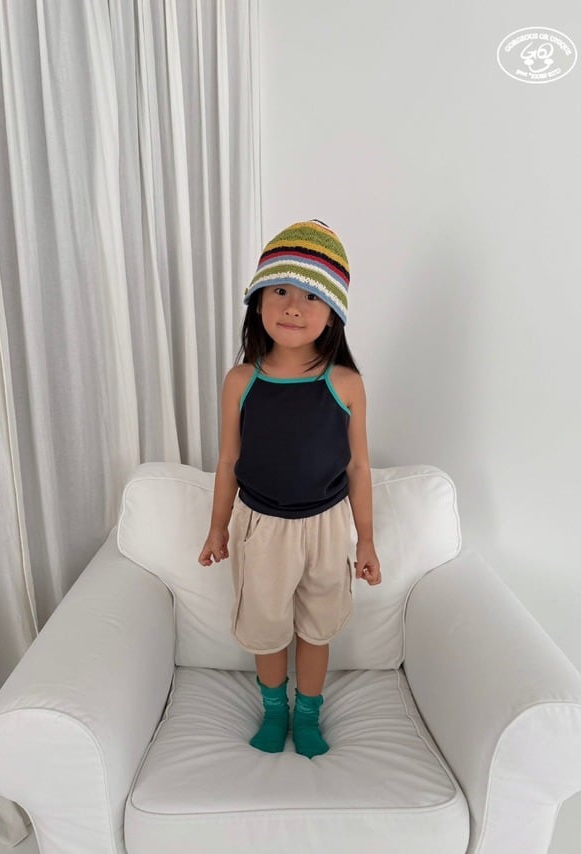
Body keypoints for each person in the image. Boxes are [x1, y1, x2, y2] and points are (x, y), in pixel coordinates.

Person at [198, 219, 381, 758]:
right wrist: (217, 528)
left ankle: (308, 714)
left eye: (311, 296)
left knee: (317, 628)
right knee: (267, 626)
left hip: (327, 528)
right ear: (257, 300)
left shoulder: (346, 384)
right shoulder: (241, 380)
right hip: (260, 527)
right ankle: (274, 710)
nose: (293, 307)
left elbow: (359, 468)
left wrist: (366, 541)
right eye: (279, 290)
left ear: (333, 313)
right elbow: (228, 459)